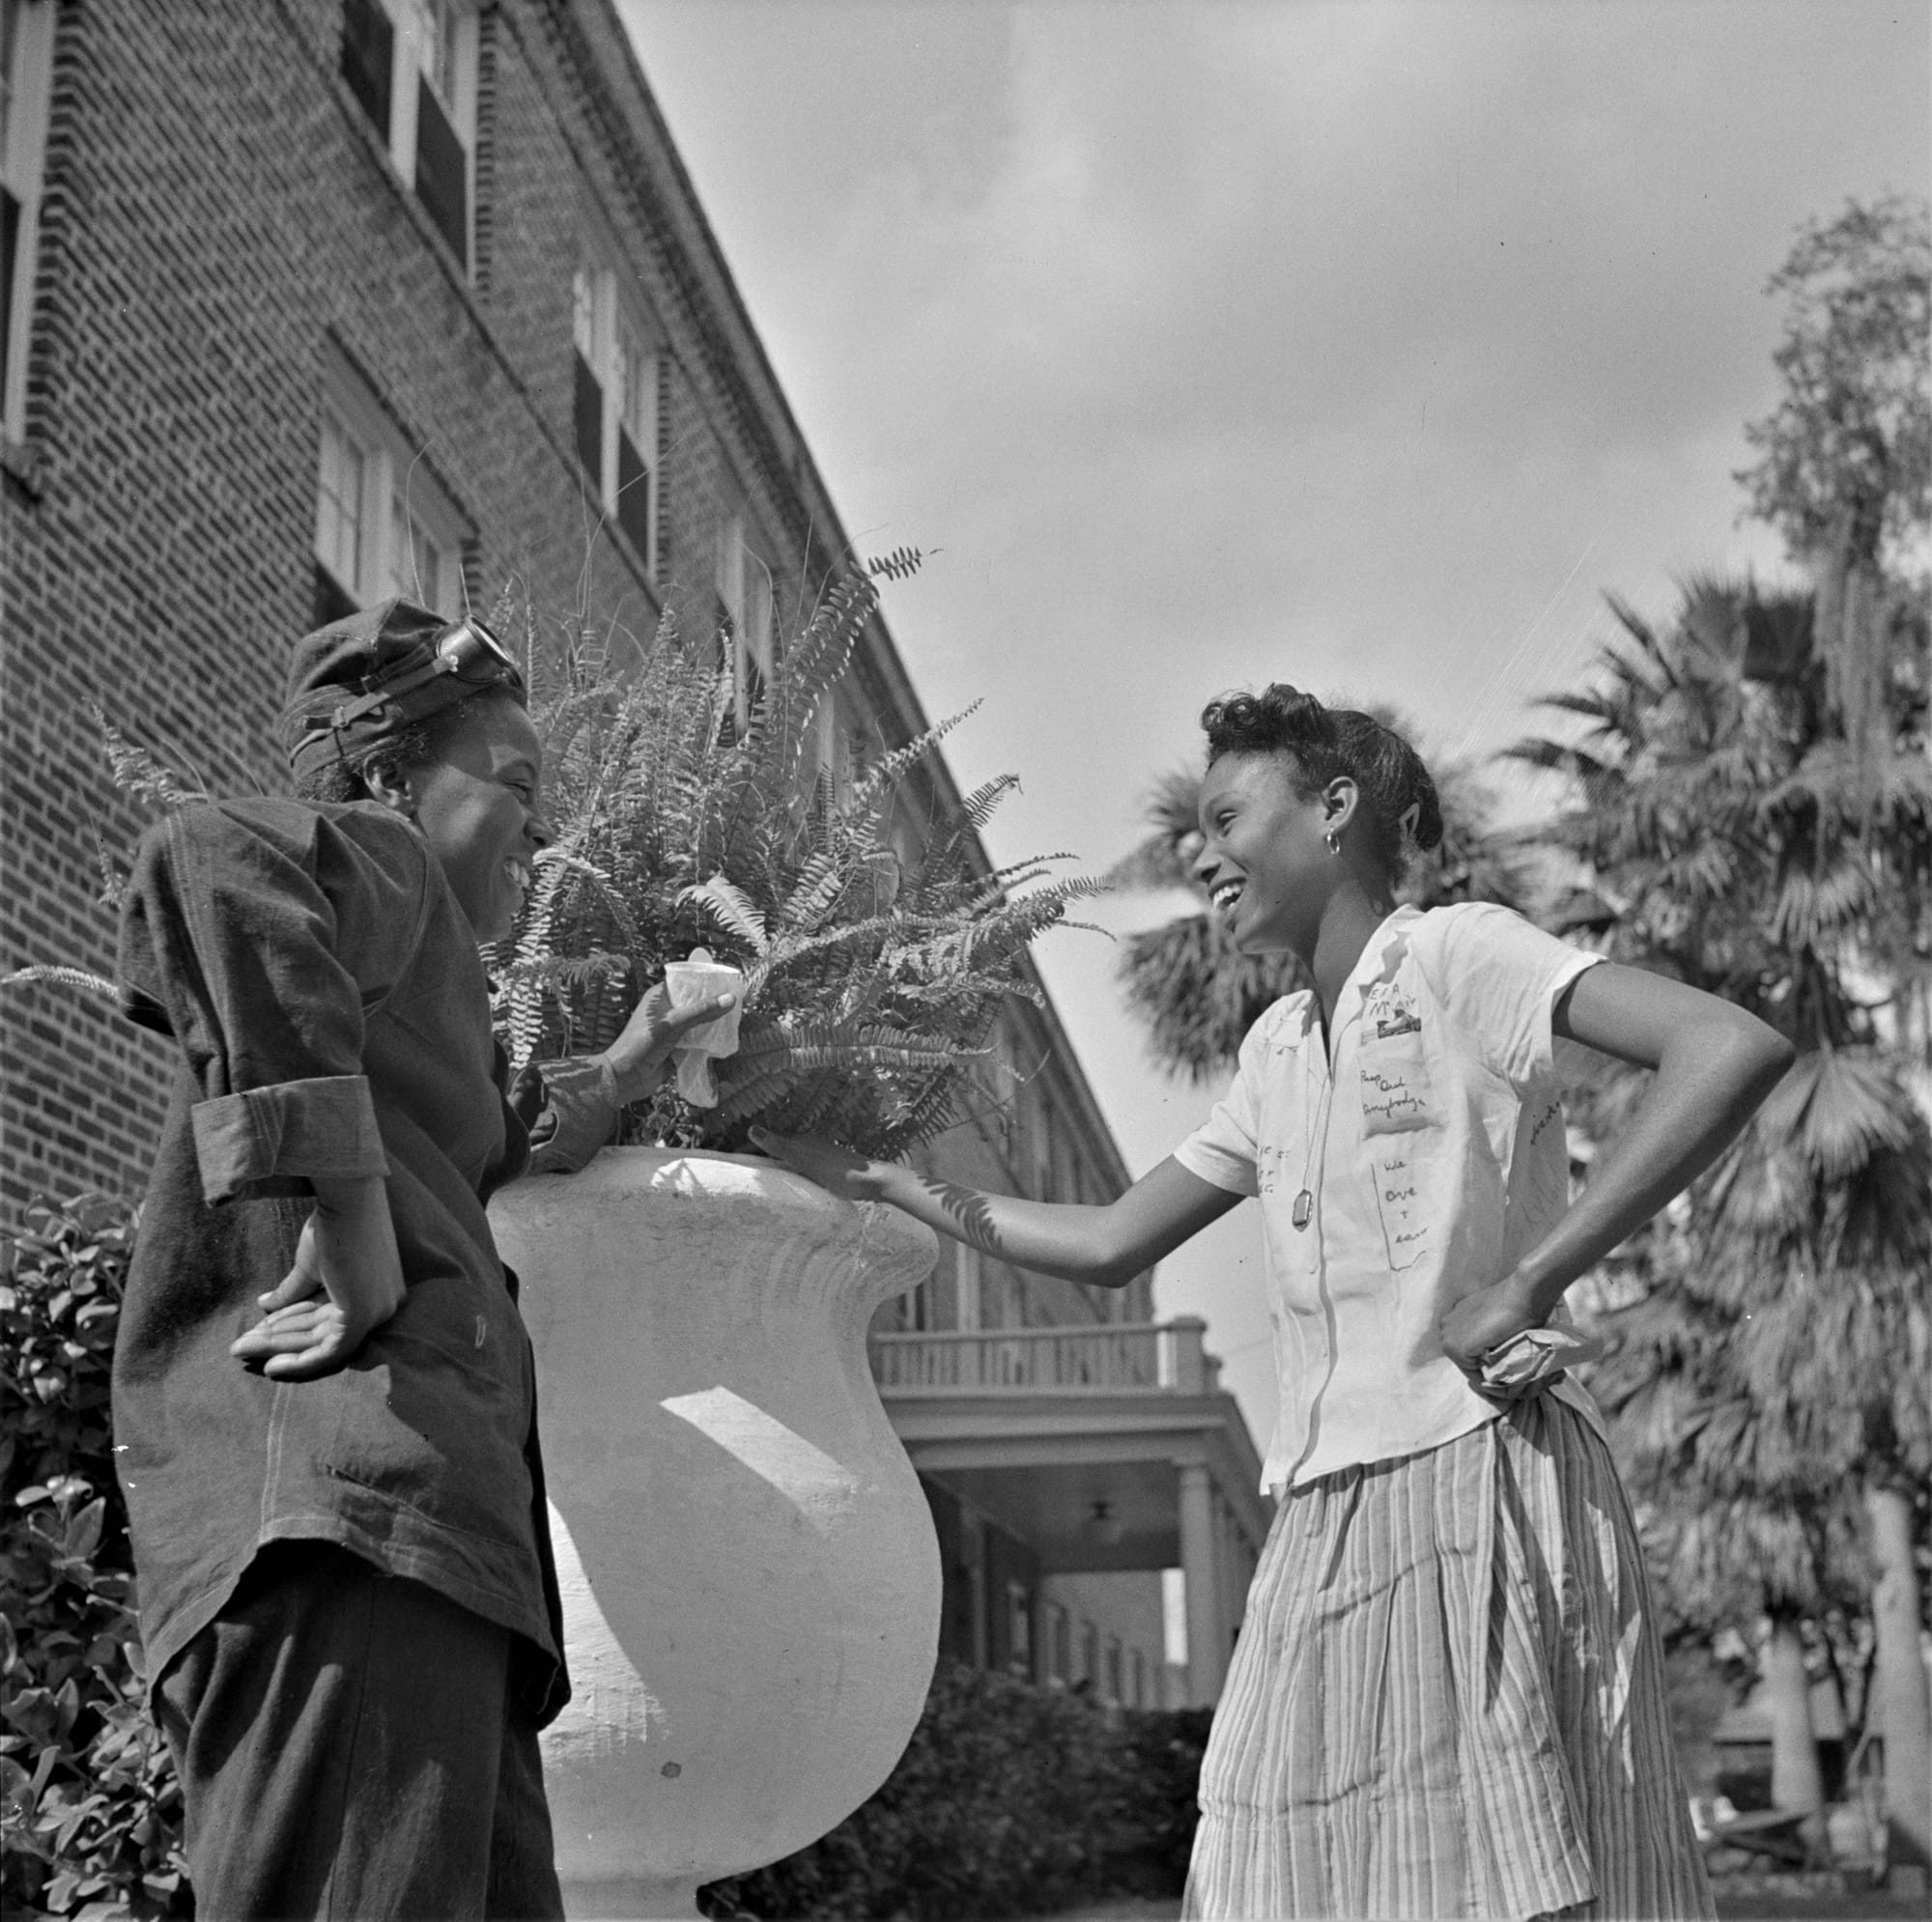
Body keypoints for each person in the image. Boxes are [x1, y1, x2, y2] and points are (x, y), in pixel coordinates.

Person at [755, 683, 1793, 1921]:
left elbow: (1725, 1049)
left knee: (1498, 1887)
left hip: (1479, 1467)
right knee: (1274, 1879)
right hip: (1323, 1508)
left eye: (1226, 816)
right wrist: (884, 1178)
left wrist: (1527, 1278)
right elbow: (1103, 1241)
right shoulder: (1276, 1053)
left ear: (1334, 808)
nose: (1200, 854)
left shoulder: (1457, 952)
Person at [112, 599, 732, 1920]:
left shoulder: (412, 979)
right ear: (393, 770)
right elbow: (210, 856)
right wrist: (355, 1235)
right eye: (515, 784)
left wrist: (632, 1058)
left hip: (430, 1548)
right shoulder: (378, 859)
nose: (542, 829)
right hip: (355, 1524)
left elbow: (493, 1137)